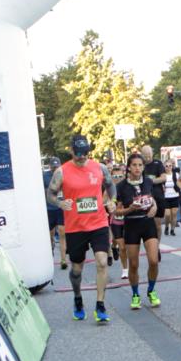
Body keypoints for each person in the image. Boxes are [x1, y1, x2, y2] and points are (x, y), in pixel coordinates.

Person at [47, 136, 114, 323]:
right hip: (76, 227)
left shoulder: (99, 168)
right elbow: (50, 194)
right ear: (71, 151)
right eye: (78, 153)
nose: (81, 157)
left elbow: (110, 185)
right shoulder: (62, 171)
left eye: (85, 153)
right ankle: (78, 298)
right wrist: (60, 202)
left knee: (102, 262)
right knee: (77, 269)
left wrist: (111, 201)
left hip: (98, 222)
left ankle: (100, 306)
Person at [116, 153, 160, 310]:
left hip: (147, 223)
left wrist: (154, 207)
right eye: (134, 165)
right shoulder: (121, 186)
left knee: (154, 261)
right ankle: (135, 295)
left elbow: (152, 199)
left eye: (140, 165)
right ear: (128, 167)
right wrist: (129, 209)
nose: (137, 168)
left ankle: (151, 290)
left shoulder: (148, 181)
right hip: (132, 225)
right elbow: (117, 212)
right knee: (133, 264)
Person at [42, 156, 67, 269]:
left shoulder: (64, 174)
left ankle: (63, 260)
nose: (55, 169)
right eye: (53, 167)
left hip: (61, 207)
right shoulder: (44, 176)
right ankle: (51, 247)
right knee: (50, 234)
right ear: (50, 167)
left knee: (62, 232)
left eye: (57, 167)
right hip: (49, 208)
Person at [141, 145, 168, 242]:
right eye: (145, 155)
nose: (148, 157)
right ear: (142, 155)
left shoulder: (158, 163)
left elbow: (164, 178)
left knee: (157, 225)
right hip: (144, 198)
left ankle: (157, 246)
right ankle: (150, 243)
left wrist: (150, 181)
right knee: (146, 225)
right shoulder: (140, 165)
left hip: (158, 196)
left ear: (152, 153)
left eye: (149, 154)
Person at [109, 164, 129, 280]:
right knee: (121, 246)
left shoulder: (127, 187)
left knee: (126, 246)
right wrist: (109, 204)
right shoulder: (109, 189)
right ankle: (124, 270)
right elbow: (103, 201)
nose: (117, 178)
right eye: (115, 176)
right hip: (115, 221)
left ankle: (126, 269)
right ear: (111, 178)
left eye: (120, 176)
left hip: (127, 220)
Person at [162, 159, 181, 236]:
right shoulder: (163, 175)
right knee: (167, 215)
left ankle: (172, 230)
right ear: (164, 167)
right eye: (166, 166)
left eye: (170, 166)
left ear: (172, 166)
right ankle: (166, 226)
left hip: (175, 196)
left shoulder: (176, 175)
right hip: (166, 197)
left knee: (174, 214)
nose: (168, 167)